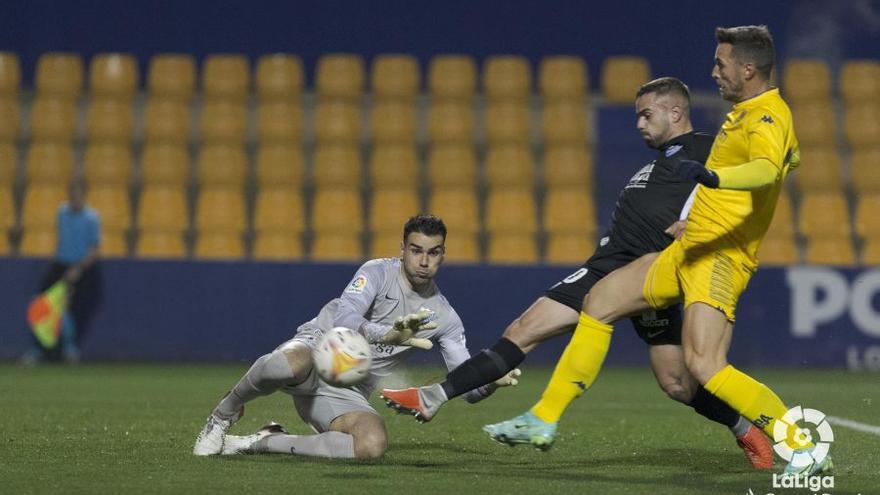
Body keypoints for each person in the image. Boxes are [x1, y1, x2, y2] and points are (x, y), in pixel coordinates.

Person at [483, 26, 826, 477]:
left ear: (748, 68)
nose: (714, 72)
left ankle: (802, 445)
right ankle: (543, 419)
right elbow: (788, 159)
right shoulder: (747, 114)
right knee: (599, 300)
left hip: (719, 258)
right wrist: (706, 209)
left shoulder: (767, 116)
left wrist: (715, 181)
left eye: (721, 65)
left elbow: (765, 169)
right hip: (689, 247)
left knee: (703, 366)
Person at [380, 77, 772, 469]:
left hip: (645, 272)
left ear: (675, 112)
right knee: (667, 379)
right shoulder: (659, 163)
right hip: (616, 269)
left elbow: (751, 182)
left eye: (646, 115)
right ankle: (747, 430)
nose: (639, 124)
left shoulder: (707, 148)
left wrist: (701, 225)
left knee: (670, 378)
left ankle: (756, 429)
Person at [192, 215, 520, 459]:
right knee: (284, 365)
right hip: (318, 349)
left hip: (347, 387)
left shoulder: (444, 317)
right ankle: (224, 413)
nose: (423, 261)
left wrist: (490, 380)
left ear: (443, 254)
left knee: (371, 445)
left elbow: (468, 388)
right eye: (416, 250)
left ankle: (260, 441)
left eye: (433, 253)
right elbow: (346, 318)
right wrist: (387, 335)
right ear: (402, 249)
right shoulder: (376, 271)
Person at [21, 179, 101, 365]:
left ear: (84, 196)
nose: (75, 200)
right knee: (40, 305)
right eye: (72, 196)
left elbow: (94, 249)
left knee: (67, 310)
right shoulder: (62, 213)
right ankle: (38, 349)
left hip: (80, 269)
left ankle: (69, 349)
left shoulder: (91, 218)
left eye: (78, 196)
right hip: (59, 266)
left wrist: (78, 269)